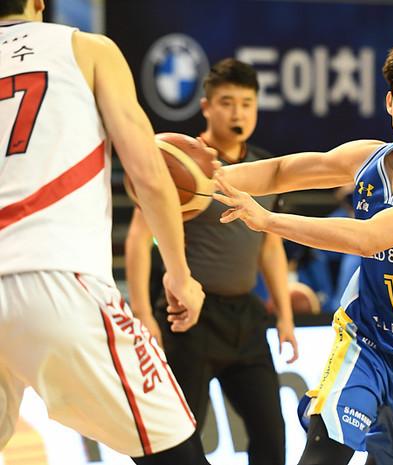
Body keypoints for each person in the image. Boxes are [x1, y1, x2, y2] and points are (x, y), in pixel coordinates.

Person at [213, 34, 393, 465]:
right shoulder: (368, 159)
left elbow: (369, 238)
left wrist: (268, 220)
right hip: (368, 337)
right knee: (323, 452)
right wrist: (206, 179)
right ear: (389, 102)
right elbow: (280, 172)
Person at [0, 1, 210, 464]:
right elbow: (149, 174)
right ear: (38, 3)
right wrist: (179, 272)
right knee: (177, 452)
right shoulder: (87, 48)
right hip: (55, 277)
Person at [125, 57, 298, 465]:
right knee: (180, 444)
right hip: (189, 319)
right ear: (206, 106)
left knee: (272, 439)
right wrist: (142, 313)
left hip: (245, 320)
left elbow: (270, 248)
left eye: (246, 103)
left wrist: (286, 316)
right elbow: (137, 238)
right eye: (227, 103)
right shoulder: (180, 162)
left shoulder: (263, 167)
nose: (238, 113)